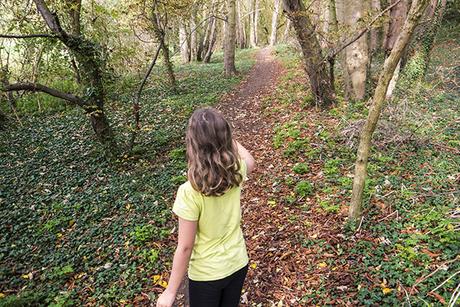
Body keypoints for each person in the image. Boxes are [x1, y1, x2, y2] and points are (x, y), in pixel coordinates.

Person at [156, 108, 255, 307]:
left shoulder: (190, 191)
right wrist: (225, 140)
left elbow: (185, 247)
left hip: (207, 275)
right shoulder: (235, 173)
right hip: (238, 263)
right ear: (226, 139)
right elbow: (251, 160)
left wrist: (170, 291)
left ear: (193, 144)